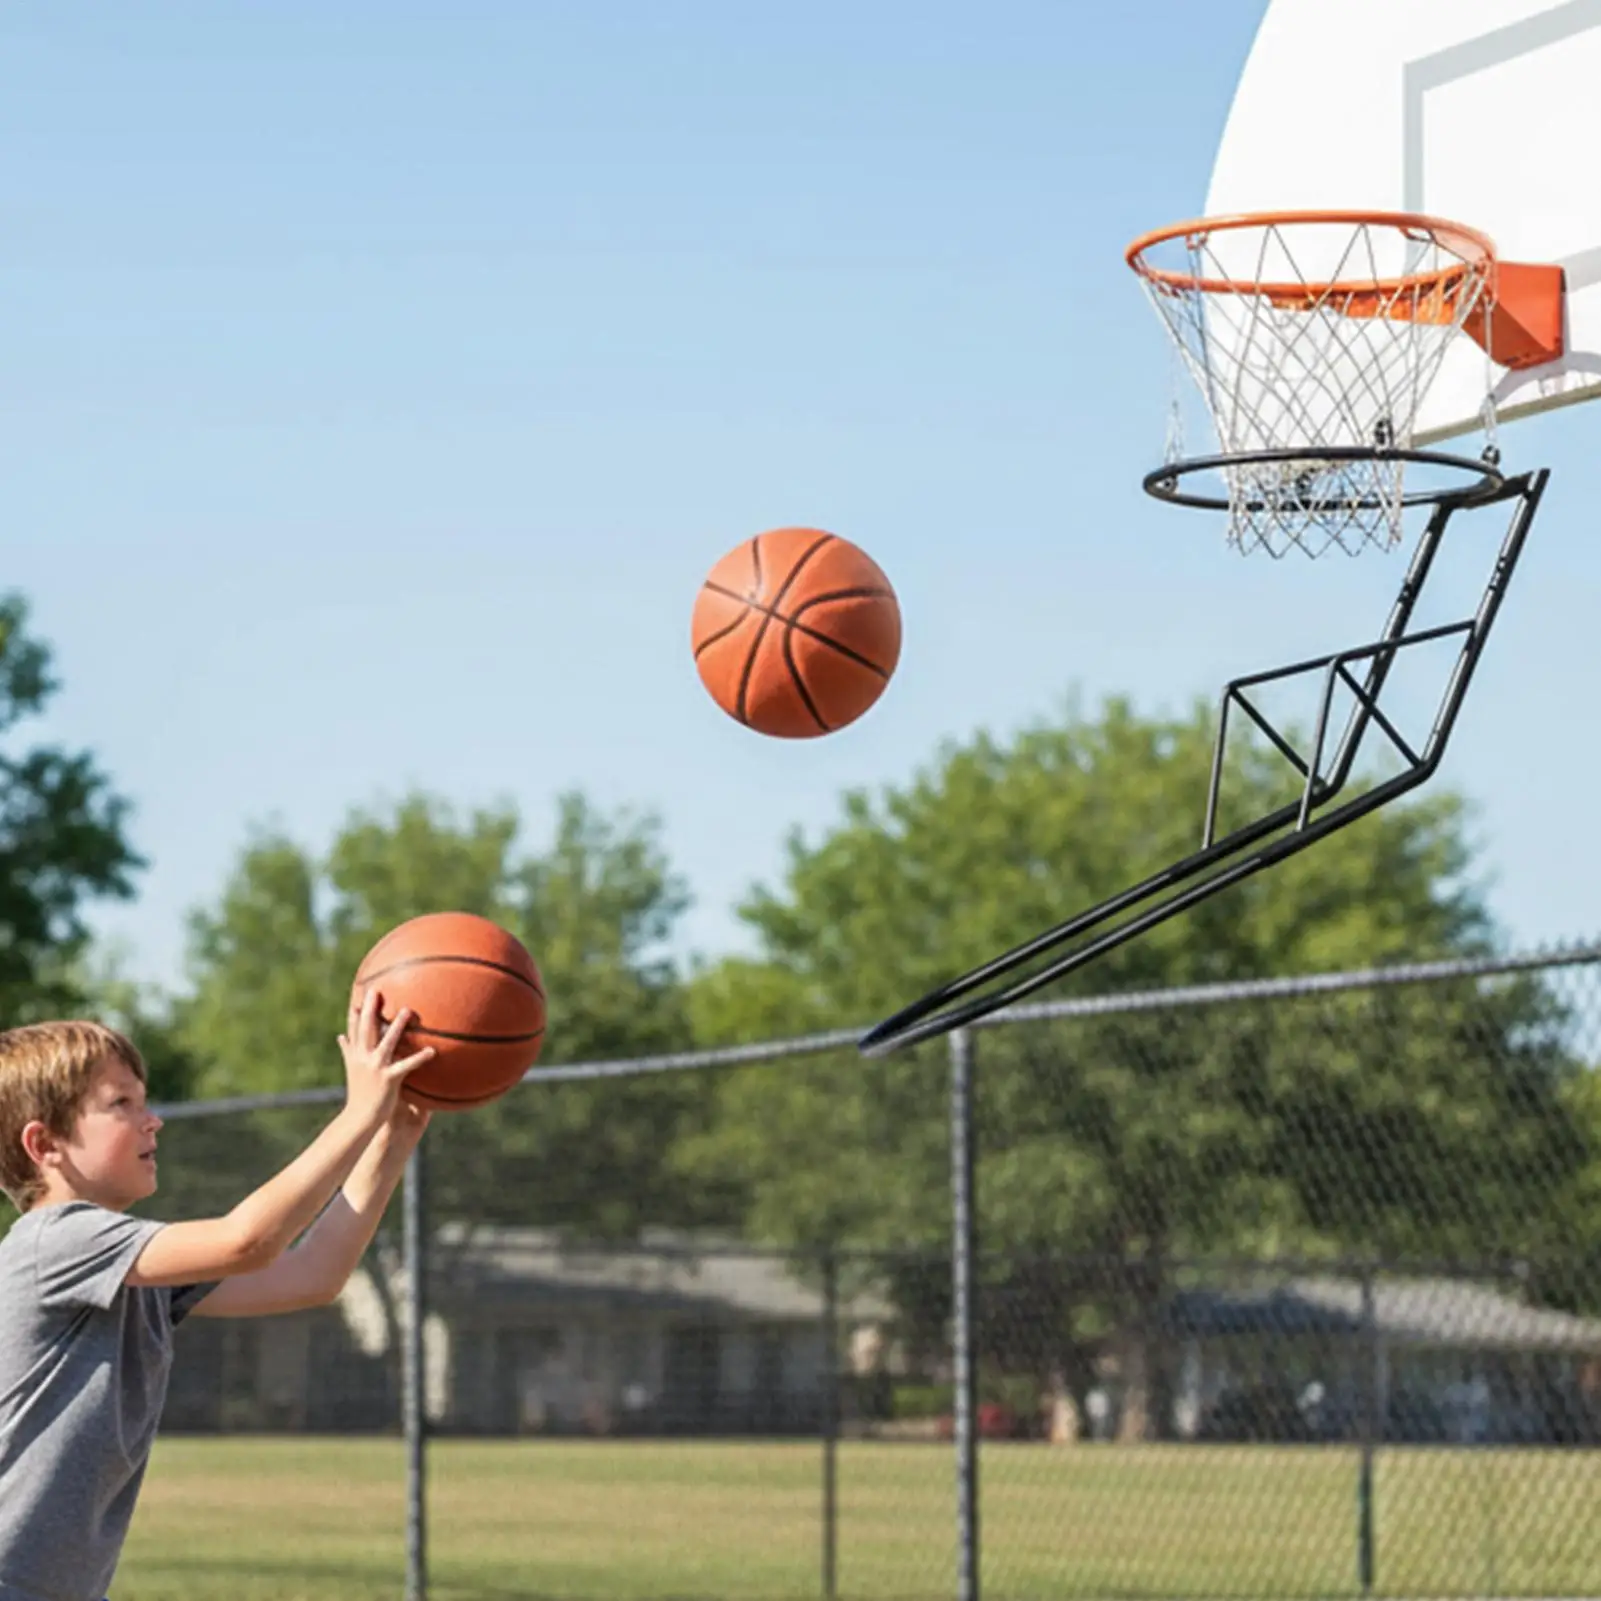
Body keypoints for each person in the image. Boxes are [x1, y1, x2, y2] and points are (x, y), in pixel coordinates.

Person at [0, 989, 434, 1601]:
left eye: (145, 1101)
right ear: (44, 1146)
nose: (152, 1119)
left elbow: (313, 1273)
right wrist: (357, 1114)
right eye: (120, 1103)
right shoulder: (56, 1241)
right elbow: (246, 1241)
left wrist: (395, 1132)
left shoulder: (131, 1270)